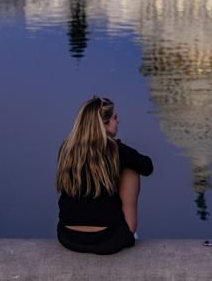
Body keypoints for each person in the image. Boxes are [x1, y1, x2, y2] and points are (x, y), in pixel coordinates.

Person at [56, 96, 153, 255]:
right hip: (108, 240)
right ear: (104, 124)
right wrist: (120, 149)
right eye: (115, 118)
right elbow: (147, 166)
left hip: (68, 236)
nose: (118, 121)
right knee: (132, 168)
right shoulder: (117, 151)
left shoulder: (67, 150)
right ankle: (129, 230)